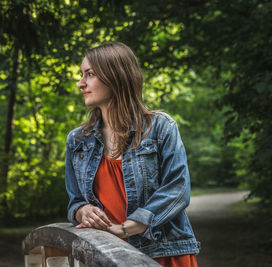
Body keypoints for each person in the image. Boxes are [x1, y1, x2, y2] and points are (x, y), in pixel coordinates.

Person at [65, 42, 200, 267]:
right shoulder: (78, 140)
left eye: (89, 74)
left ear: (115, 76)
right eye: (82, 75)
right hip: (107, 254)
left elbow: (178, 190)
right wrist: (82, 211)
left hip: (162, 252)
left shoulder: (161, 127)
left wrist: (126, 229)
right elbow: (75, 201)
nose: (81, 83)